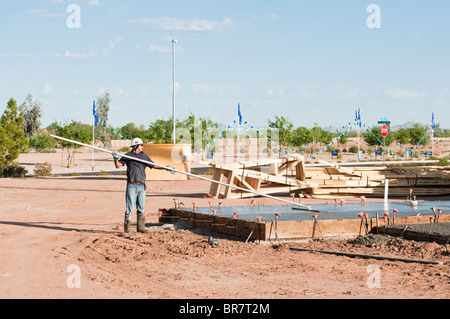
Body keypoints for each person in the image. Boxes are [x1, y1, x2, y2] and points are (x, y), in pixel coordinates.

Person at [113, 138, 175, 233]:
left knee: (141, 207)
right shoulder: (128, 156)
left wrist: (166, 168)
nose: (143, 147)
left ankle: (141, 228)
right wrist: (115, 158)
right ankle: (127, 229)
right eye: (141, 145)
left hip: (142, 186)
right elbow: (118, 165)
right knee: (130, 208)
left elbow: (153, 165)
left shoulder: (144, 157)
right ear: (136, 146)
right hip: (131, 185)